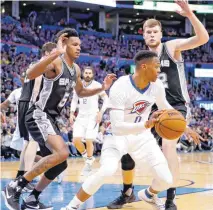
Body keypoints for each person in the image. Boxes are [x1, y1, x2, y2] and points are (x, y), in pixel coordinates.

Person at [107, 1, 209, 210]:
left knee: (168, 146)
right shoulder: (143, 59)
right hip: (152, 109)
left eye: (155, 31)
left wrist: (189, 13)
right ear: (143, 35)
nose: (151, 35)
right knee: (127, 145)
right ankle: (128, 193)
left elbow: (203, 38)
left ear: (161, 34)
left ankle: (170, 198)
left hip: (176, 106)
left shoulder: (170, 48)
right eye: (148, 32)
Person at [2, 28, 116, 210]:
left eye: (80, 45)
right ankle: (15, 186)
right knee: (62, 152)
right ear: (64, 45)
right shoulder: (56, 61)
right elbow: (30, 74)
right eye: (74, 45)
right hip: (38, 113)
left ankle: (32, 198)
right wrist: (56, 52)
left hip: (52, 118)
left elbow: (81, 92)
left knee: (61, 163)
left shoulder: (76, 69)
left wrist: (102, 87)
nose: (79, 48)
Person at [61, 50, 177, 210]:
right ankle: (72, 206)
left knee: (166, 179)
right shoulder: (121, 86)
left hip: (142, 138)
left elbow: (165, 107)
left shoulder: (156, 85)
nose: (159, 71)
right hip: (117, 136)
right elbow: (118, 126)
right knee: (107, 170)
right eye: (156, 67)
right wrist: (146, 124)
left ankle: (148, 194)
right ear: (144, 66)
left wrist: (184, 124)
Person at [70, 66, 109, 175]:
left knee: (88, 139)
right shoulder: (78, 85)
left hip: (93, 116)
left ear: (93, 75)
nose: (87, 75)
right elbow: (74, 100)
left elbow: (106, 99)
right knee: (76, 140)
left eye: (89, 73)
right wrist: (71, 113)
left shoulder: (97, 85)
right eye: (86, 73)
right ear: (83, 74)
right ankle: (87, 157)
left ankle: (88, 164)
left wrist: (101, 112)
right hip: (81, 116)